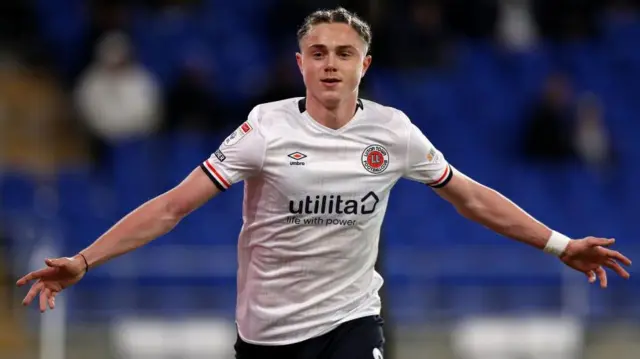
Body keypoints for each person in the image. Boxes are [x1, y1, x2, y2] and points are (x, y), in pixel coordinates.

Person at [17, 7, 631, 359]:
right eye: (318, 51)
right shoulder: (264, 129)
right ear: (300, 64)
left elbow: (470, 196)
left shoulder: (394, 133)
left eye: (343, 52)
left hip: (350, 323)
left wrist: (559, 243)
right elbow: (174, 206)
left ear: (364, 64)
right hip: (264, 336)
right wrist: (86, 260)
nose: (330, 62)